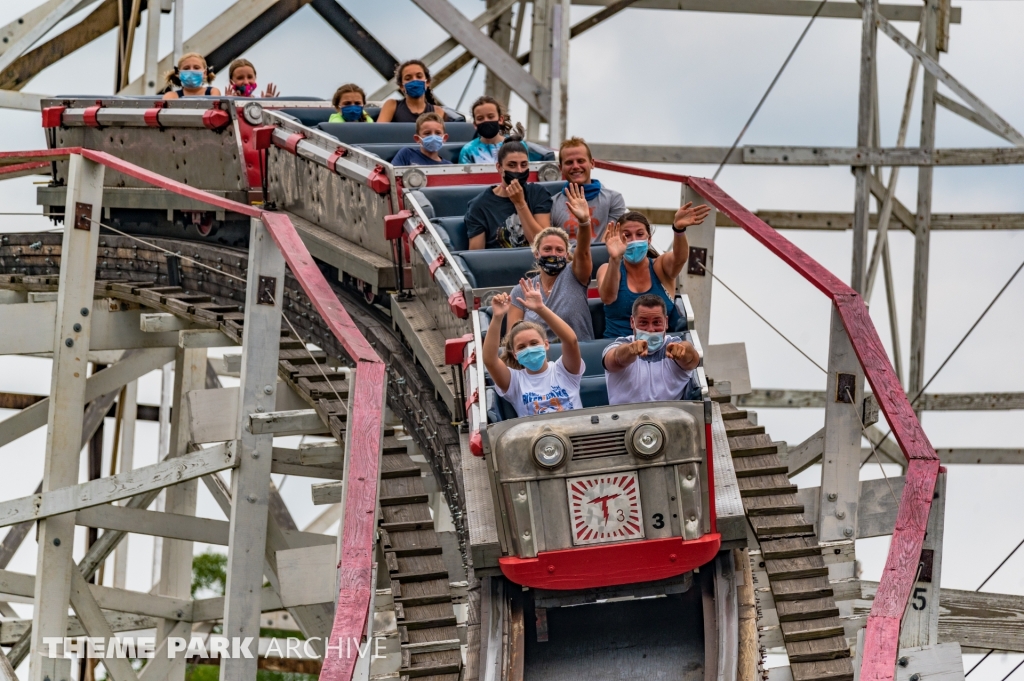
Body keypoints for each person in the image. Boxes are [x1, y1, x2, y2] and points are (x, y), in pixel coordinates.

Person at [597, 204, 710, 338]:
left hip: (660, 349)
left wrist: (678, 230)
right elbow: (608, 297)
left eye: (639, 234)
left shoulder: (660, 266)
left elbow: (679, 259)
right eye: (627, 236)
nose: (634, 240)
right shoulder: (606, 268)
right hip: (617, 348)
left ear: (649, 239)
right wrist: (615, 259)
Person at [484, 283, 584, 417]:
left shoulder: (563, 371)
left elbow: (571, 341)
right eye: (522, 347)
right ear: (515, 355)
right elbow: (490, 360)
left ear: (546, 344)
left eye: (534, 343)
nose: (529, 349)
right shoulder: (515, 382)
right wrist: (497, 317)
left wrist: (541, 309)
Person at [507, 189, 594, 341]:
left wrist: (584, 222)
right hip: (539, 359)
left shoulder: (575, 275)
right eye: (547, 249)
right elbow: (512, 340)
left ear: (567, 255)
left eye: (559, 250)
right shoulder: (521, 291)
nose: (553, 254)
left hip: (578, 354)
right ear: (536, 253)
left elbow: (584, 253)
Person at [602, 294, 701, 405]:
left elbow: (692, 359)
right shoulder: (620, 345)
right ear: (632, 322)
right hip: (626, 419)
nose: (650, 329)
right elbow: (614, 359)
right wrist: (630, 351)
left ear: (666, 322)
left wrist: (683, 351)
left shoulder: (674, 346)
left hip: (670, 418)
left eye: (656, 322)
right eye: (643, 322)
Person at [465, 137, 552, 249]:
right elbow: (476, 257)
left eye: (524, 165)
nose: (519, 171)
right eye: (512, 165)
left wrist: (520, 203)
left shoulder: (538, 193)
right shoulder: (479, 205)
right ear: (499, 167)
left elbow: (544, 245)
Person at [550, 137, 626, 242]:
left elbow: (608, 243)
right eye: (569, 162)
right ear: (560, 168)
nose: (575, 166)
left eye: (580, 161)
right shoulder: (551, 204)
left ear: (592, 163)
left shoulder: (613, 199)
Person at [377, 59, 452, 123]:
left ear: (427, 82)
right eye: (408, 78)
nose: (414, 80)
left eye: (419, 76)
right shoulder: (392, 105)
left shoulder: (438, 112)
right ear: (402, 86)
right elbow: (378, 133)